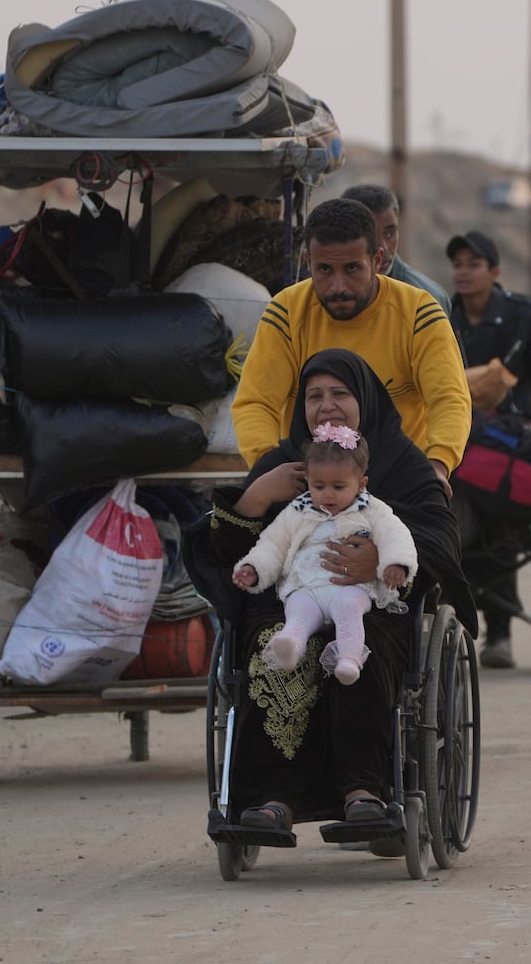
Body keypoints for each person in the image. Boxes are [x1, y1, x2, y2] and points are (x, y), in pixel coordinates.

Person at [187, 349, 475, 844]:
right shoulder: (284, 465)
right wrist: (258, 495)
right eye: (314, 396)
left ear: (364, 399)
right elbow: (223, 547)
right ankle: (270, 799)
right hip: (289, 604)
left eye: (340, 393)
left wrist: (382, 561)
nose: (326, 405)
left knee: (362, 655)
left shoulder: (401, 462)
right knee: (274, 652)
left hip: (372, 604)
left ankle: (365, 792)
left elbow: (439, 538)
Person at [231, 199, 470, 495]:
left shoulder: (419, 312)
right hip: (311, 487)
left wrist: (436, 467)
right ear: (308, 261)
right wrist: (271, 469)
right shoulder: (287, 311)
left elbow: (449, 398)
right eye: (325, 270)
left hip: (400, 484)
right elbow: (256, 402)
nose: (338, 286)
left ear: (378, 260)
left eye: (352, 268)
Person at [446, 229, 531, 668]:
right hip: (460, 438)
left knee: (498, 518)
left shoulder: (525, 315)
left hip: (512, 440)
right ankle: (456, 630)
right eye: (458, 264)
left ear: (494, 271)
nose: (463, 272)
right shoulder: (443, 315)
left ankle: (499, 633)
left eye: (473, 264)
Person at [233, 423, 418, 685]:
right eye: (319, 486)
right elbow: (274, 544)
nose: (327, 494)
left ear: (361, 483)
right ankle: (291, 644)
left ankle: (349, 658)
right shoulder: (298, 510)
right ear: (307, 480)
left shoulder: (373, 510)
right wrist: (255, 568)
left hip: (352, 586)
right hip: (305, 584)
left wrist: (396, 563)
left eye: (339, 487)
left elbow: (396, 536)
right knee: (297, 610)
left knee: (347, 608)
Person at [341, 183, 451, 310]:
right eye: (371, 235)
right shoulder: (325, 292)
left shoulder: (427, 299)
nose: (383, 247)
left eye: (389, 234)